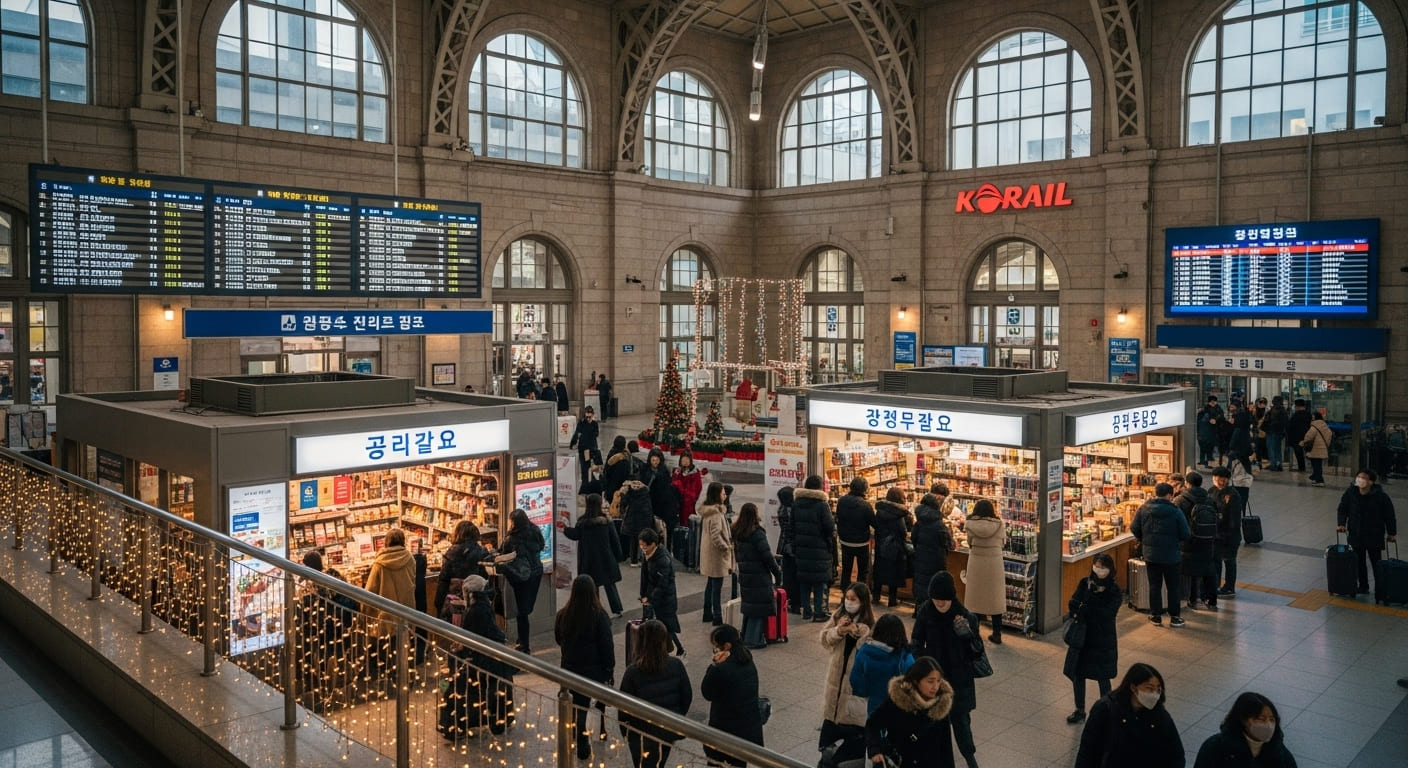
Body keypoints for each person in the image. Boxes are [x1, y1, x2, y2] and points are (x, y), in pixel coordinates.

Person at [911, 571, 982, 768]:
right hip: (933, 679)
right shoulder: (926, 611)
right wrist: (921, 661)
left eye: (944, 600)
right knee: (931, 722)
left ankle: (970, 759)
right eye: (936, 599)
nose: (939, 604)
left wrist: (967, 635)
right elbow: (916, 640)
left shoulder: (966, 617)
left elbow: (977, 653)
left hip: (959, 679)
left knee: (961, 723)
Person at [1074, 662, 1184, 768]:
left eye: (1158, 689)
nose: (1155, 694)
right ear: (1133, 688)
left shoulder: (1161, 716)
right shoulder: (1105, 709)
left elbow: (1175, 755)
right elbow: (1088, 752)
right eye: (1149, 688)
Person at [554, 574, 615, 760]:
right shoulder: (599, 616)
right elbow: (607, 645)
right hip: (593, 671)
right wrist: (608, 669)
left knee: (575, 707)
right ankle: (582, 744)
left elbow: (558, 639)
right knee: (585, 707)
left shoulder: (563, 614)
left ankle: (573, 736)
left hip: (569, 669)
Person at [618, 619, 691, 768]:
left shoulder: (633, 672)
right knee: (660, 762)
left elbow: (624, 707)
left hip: (640, 733)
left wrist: (626, 731)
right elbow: (686, 696)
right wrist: (675, 716)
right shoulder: (676, 665)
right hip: (667, 728)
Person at [863, 656, 956, 768]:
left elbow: (946, 749)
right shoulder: (899, 701)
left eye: (938, 681)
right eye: (930, 681)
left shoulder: (941, 706)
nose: (935, 687)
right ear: (916, 681)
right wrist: (875, 750)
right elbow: (873, 724)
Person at [1062, 553, 1121, 725]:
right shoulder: (1085, 583)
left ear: (1109, 569)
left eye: (1103, 567)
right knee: (1078, 675)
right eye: (1097, 565)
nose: (1099, 570)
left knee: (1103, 678)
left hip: (1102, 640)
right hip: (1083, 639)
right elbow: (1073, 603)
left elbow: (1107, 614)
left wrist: (1086, 608)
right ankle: (1079, 710)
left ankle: (1106, 712)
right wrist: (1086, 608)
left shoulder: (1113, 590)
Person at [819, 582, 875, 750]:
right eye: (847, 598)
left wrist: (858, 631)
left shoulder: (870, 624)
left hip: (853, 689)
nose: (849, 602)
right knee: (826, 746)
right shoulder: (839, 615)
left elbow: (868, 651)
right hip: (834, 684)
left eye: (853, 599)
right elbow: (824, 639)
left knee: (849, 749)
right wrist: (839, 630)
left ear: (863, 601)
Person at [700, 624, 765, 767]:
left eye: (717, 646)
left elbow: (707, 692)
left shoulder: (721, 669)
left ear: (727, 646)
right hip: (747, 730)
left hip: (725, 731)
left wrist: (714, 666)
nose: (715, 650)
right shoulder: (747, 659)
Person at [1131, 482, 1192, 627]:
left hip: (1151, 555)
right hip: (1172, 555)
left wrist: (1143, 539)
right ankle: (1175, 617)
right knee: (1173, 587)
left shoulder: (1144, 508)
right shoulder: (1176, 511)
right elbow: (1186, 534)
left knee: (1154, 585)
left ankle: (1156, 616)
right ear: (1170, 495)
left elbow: (1134, 527)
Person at [365, 527, 417, 681]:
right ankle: (403, 677)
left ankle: (388, 678)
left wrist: (365, 613)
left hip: (385, 614)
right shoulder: (410, 559)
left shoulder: (380, 563)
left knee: (385, 650)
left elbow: (370, 590)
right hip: (406, 610)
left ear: (386, 542)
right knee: (402, 647)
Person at [1193, 691, 1297, 768]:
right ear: (1243, 719)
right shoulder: (1214, 748)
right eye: (1261, 719)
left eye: (1272, 719)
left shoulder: (1278, 750)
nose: (1268, 725)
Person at [1336, 468, 1398, 597]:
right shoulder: (1351, 492)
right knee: (1359, 561)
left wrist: (1391, 533)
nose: (1359, 480)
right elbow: (1343, 508)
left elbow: (1389, 515)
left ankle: (1380, 588)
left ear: (1371, 482)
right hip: (1355, 533)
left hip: (1374, 534)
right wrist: (1341, 523)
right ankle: (1363, 586)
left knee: (1376, 563)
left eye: (1363, 478)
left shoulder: (1381, 496)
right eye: (1358, 477)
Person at [563, 493, 625, 616]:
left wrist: (565, 528)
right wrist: (618, 556)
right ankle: (617, 609)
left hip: (589, 560)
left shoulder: (582, 523)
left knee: (593, 586)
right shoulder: (606, 522)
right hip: (606, 558)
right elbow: (615, 540)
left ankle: (596, 610)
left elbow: (575, 535)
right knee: (610, 585)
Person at [733, 501, 783, 649]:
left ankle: (746, 636)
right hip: (759, 576)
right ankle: (754, 639)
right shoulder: (757, 533)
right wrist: (777, 573)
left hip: (746, 576)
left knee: (750, 607)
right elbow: (767, 556)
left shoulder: (738, 532)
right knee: (759, 608)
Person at [849, 613, 916, 718]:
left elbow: (856, 682)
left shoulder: (864, 652)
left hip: (872, 708)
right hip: (897, 710)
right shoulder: (905, 657)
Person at [792, 475, 837, 621]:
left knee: (804, 581)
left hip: (802, 548)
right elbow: (829, 527)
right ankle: (818, 611)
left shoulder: (796, 503)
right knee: (819, 581)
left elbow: (791, 526)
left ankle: (806, 611)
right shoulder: (822, 505)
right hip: (819, 549)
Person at [962, 499, 1007, 643]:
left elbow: (969, 542)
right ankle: (997, 633)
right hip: (995, 562)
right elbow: (1003, 542)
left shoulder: (970, 524)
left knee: (976, 597)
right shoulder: (999, 524)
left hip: (976, 561)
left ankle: (975, 632)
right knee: (995, 597)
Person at [501, 508, 545, 652]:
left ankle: (524, 645)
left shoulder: (512, 538)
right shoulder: (535, 530)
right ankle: (522, 639)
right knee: (526, 609)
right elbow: (542, 545)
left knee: (522, 612)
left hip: (521, 576)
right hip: (536, 573)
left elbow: (503, 552)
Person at [1175, 471, 1220, 611]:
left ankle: (1193, 599)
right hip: (1207, 539)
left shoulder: (1181, 500)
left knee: (1192, 570)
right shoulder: (1209, 498)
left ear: (1187, 484)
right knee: (1209, 569)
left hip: (1189, 540)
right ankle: (1212, 600)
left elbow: (1177, 521)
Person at [638, 528, 685, 656]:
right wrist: (644, 595)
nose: (642, 548)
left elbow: (662, 584)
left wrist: (650, 599)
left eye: (644, 545)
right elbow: (645, 577)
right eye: (640, 545)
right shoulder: (647, 554)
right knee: (654, 623)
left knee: (666, 625)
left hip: (664, 599)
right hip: (652, 596)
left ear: (653, 543)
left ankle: (677, 649)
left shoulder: (662, 559)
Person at [435, 520, 495, 616]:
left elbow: (443, 581)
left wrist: (438, 604)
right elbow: (486, 579)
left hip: (455, 603)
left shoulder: (451, 553)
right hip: (476, 601)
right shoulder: (481, 552)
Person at [697, 482, 734, 626]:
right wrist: (725, 548)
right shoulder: (716, 514)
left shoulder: (708, 511)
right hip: (716, 555)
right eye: (723, 492)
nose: (725, 495)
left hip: (708, 553)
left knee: (711, 584)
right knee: (716, 586)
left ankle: (707, 613)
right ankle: (717, 616)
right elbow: (716, 535)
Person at [910, 492, 953, 607]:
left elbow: (913, 538)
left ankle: (918, 609)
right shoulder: (939, 524)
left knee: (920, 582)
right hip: (936, 560)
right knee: (934, 584)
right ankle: (930, 609)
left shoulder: (919, 522)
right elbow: (947, 543)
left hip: (920, 558)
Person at [872, 488, 912, 609]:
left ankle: (875, 596)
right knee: (894, 573)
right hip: (895, 547)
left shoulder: (880, 511)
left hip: (881, 544)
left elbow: (876, 526)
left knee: (879, 570)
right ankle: (892, 599)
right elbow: (902, 531)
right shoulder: (900, 514)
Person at [836, 477, 877, 590]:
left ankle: (845, 592)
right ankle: (860, 593)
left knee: (846, 569)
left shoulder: (842, 501)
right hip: (861, 543)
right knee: (862, 571)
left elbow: (838, 518)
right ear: (864, 489)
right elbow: (874, 523)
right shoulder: (865, 505)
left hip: (845, 541)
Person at [1210, 466, 1245, 599]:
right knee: (1216, 561)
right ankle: (1216, 584)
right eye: (1218, 479)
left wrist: (1229, 535)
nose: (1221, 482)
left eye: (1224, 480)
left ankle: (1229, 587)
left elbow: (1235, 519)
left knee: (1229, 561)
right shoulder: (1211, 491)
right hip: (1216, 534)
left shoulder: (1233, 495)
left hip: (1229, 536)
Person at [640, 448, 678, 546]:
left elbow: (665, 488)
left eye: (657, 460)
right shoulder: (645, 470)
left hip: (661, 505)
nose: (655, 462)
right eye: (653, 460)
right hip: (648, 503)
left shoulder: (664, 472)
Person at [775, 486, 800, 612]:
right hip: (791, 547)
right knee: (793, 575)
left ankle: (789, 600)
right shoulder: (790, 511)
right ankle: (794, 602)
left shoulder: (782, 509)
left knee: (788, 575)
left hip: (784, 545)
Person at [619, 478, 654, 566]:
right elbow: (649, 507)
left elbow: (623, 504)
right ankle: (645, 558)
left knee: (634, 540)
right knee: (645, 539)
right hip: (644, 519)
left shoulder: (629, 492)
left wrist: (623, 494)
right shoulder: (645, 492)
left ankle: (633, 560)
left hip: (632, 519)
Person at [670, 450, 705, 526]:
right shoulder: (677, 472)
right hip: (677, 504)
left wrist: (680, 486)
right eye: (683, 459)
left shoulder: (695, 474)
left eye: (687, 459)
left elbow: (694, 492)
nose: (685, 462)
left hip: (688, 506)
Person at [569, 406, 602, 484]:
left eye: (590, 417)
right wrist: (572, 444)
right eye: (587, 416)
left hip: (592, 448)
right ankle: (585, 483)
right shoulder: (582, 422)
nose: (588, 418)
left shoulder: (594, 423)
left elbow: (596, 434)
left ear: (592, 415)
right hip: (584, 448)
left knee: (596, 467)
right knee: (585, 467)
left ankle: (594, 481)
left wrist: (590, 424)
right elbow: (577, 433)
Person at [1300, 412, 1333, 487]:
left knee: (1316, 465)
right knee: (1318, 464)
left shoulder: (1314, 426)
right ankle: (1315, 478)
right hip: (1322, 448)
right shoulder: (1325, 425)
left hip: (1315, 449)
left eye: (1313, 417)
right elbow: (1329, 434)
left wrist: (1303, 442)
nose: (1312, 418)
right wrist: (1326, 444)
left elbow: (1308, 436)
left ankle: (1319, 479)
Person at [603, 436, 633, 504]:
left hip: (610, 486)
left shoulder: (611, 453)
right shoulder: (625, 457)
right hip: (621, 487)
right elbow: (628, 472)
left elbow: (606, 470)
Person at [1197, 395, 1225, 467]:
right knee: (1204, 446)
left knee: (1210, 446)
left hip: (1214, 432)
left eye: (1214, 401)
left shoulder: (1218, 409)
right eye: (1211, 401)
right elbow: (1200, 421)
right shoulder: (1204, 410)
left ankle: (1208, 460)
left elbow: (1222, 418)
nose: (1213, 403)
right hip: (1205, 432)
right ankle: (1204, 461)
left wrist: (1216, 420)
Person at [1262, 396, 1288, 471]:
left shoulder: (1273, 411)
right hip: (1279, 433)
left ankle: (1273, 464)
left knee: (1271, 448)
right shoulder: (1283, 411)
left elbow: (1268, 421)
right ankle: (1278, 464)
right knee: (1278, 449)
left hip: (1271, 432)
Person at [1286, 399, 1312, 474]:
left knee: (1299, 454)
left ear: (1297, 406)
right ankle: (1311, 467)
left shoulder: (1295, 416)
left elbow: (1290, 427)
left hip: (1296, 438)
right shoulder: (1308, 415)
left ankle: (1302, 467)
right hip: (1307, 437)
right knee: (1308, 453)